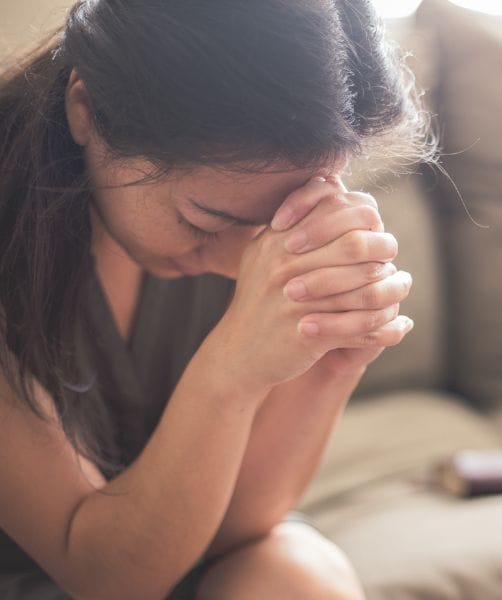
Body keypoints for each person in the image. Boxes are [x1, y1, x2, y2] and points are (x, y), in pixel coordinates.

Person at [0, 0, 434, 597]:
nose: (243, 260)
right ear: (86, 109)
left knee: (293, 572)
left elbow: (236, 531)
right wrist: (232, 368)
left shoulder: (245, 202)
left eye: (271, 223)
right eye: (206, 219)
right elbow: (103, 576)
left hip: (160, 552)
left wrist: (331, 356)